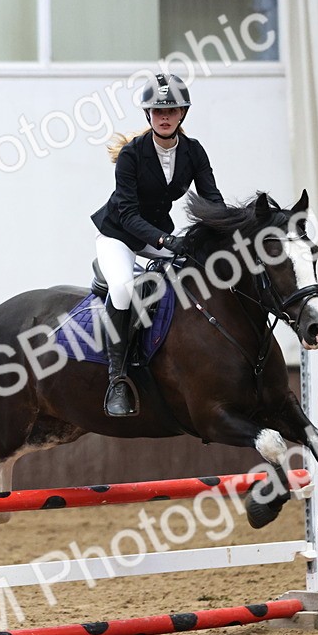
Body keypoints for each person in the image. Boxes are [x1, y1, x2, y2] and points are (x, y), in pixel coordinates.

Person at [89, 72, 225, 417]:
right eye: (157, 111)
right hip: (119, 235)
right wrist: (167, 241)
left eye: (172, 110)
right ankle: (117, 380)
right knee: (122, 289)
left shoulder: (194, 152)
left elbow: (212, 201)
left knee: (197, 273)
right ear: (148, 115)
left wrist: (231, 231)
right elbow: (129, 214)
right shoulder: (132, 156)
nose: (164, 117)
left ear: (182, 114)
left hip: (155, 236)